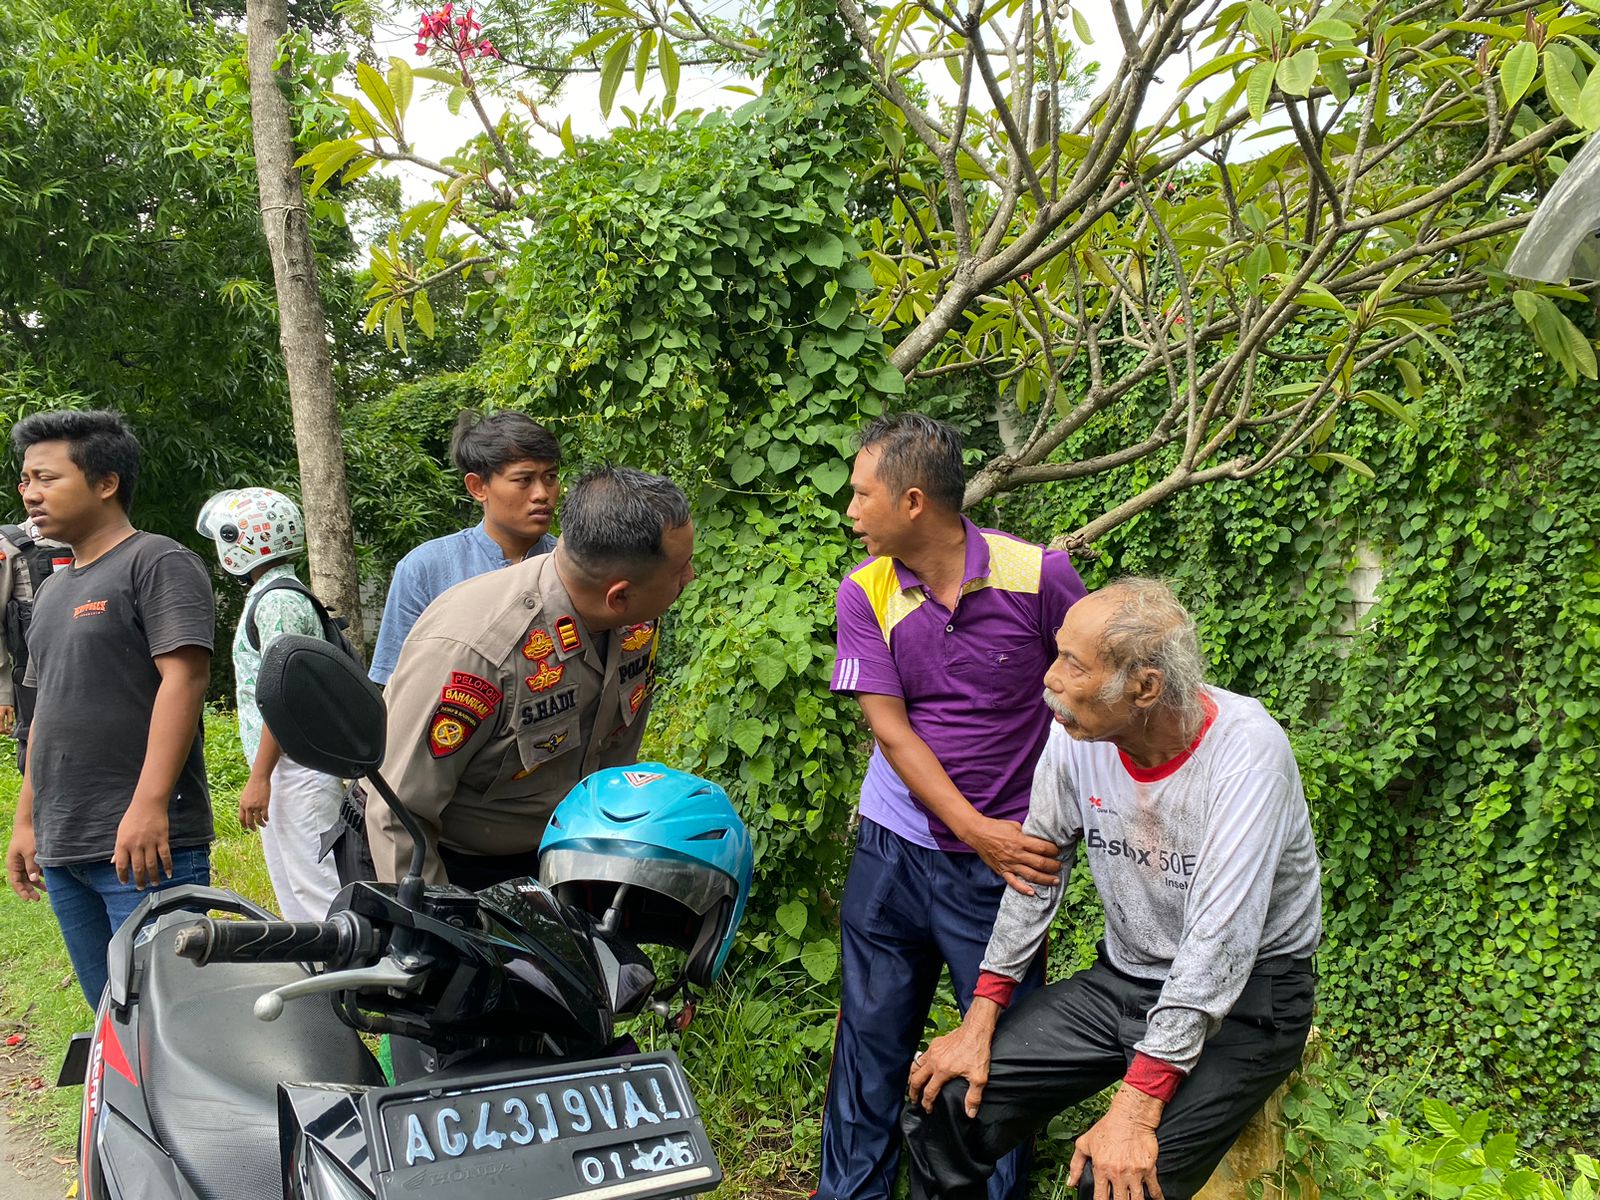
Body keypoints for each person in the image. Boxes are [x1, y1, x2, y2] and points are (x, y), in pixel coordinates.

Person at [903, 578, 1323, 1200]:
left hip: (1251, 1000)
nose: (1049, 676)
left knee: (1117, 1181)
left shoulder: (1246, 755)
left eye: (1073, 663)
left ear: (1145, 687)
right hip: (1124, 981)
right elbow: (1034, 872)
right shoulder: (1078, 734)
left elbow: (1218, 943)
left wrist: (1137, 1107)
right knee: (950, 1100)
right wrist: (979, 1021)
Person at [818, 413, 1087, 1200]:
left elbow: (1085, 694)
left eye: (860, 495)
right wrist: (975, 830)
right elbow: (891, 732)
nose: (849, 512)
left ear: (911, 502)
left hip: (1007, 861)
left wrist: (1050, 829)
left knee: (1000, 1053)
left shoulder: (1040, 576)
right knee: (870, 1037)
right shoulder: (863, 590)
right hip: (895, 848)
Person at [368, 466, 696, 890]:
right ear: (619, 595)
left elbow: (613, 762)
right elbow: (397, 813)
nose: (690, 578)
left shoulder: (638, 623)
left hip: (554, 856)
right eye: (680, 570)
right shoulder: (476, 650)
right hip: (438, 862)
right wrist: (439, 929)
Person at [3, 410, 215, 1007]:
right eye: (24, 480)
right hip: (65, 844)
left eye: (46, 477)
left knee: (168, 1025)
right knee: (112, 1026)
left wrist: (149, 807)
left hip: (145, 847)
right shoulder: (51, 589)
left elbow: (186, 679)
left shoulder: (157, 562)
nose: (30, 494)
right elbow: (45, 712)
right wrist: (27, 823)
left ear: (105, 482)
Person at [196, 487, 343, 922]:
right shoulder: (273, 595)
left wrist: (259, 778)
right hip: (286, 764)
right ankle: (319, 983)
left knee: (317, 889)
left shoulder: (278, 601)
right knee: (292, 885)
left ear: (237, 539)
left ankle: (352, 983)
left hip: (296, 767)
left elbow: (284, 696)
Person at [368, 410, 561, 685]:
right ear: (477, 486)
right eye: (524, 480)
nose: (542, 493)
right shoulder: (425, 569)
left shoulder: (568, 565)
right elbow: (396, 685)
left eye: (550, 477)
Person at [0, 521, 71, 772]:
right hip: (31, 679)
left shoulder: (99, 542)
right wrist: (3, 694)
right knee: (36, 754)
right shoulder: (9, 545)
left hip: (94, 676)